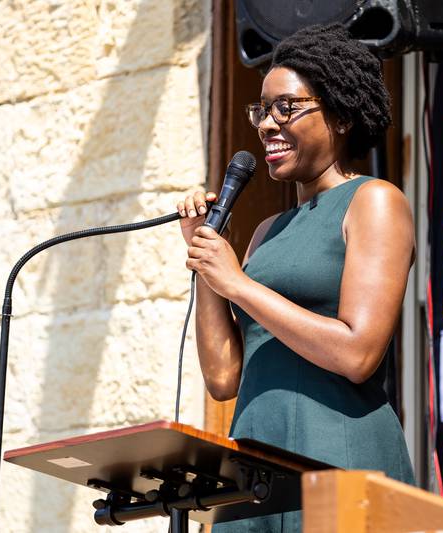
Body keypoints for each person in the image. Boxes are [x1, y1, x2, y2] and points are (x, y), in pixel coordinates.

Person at [177, 23, 415, 532]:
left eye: (286, 107)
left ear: (342, 114)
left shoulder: (374, 201)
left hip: (337, 458)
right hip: (254, 469)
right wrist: (205, 254)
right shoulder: (267, 230)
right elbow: (223, 379)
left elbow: (358, 353)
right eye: (262, 110)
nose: (266, 124)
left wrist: (239, 284)